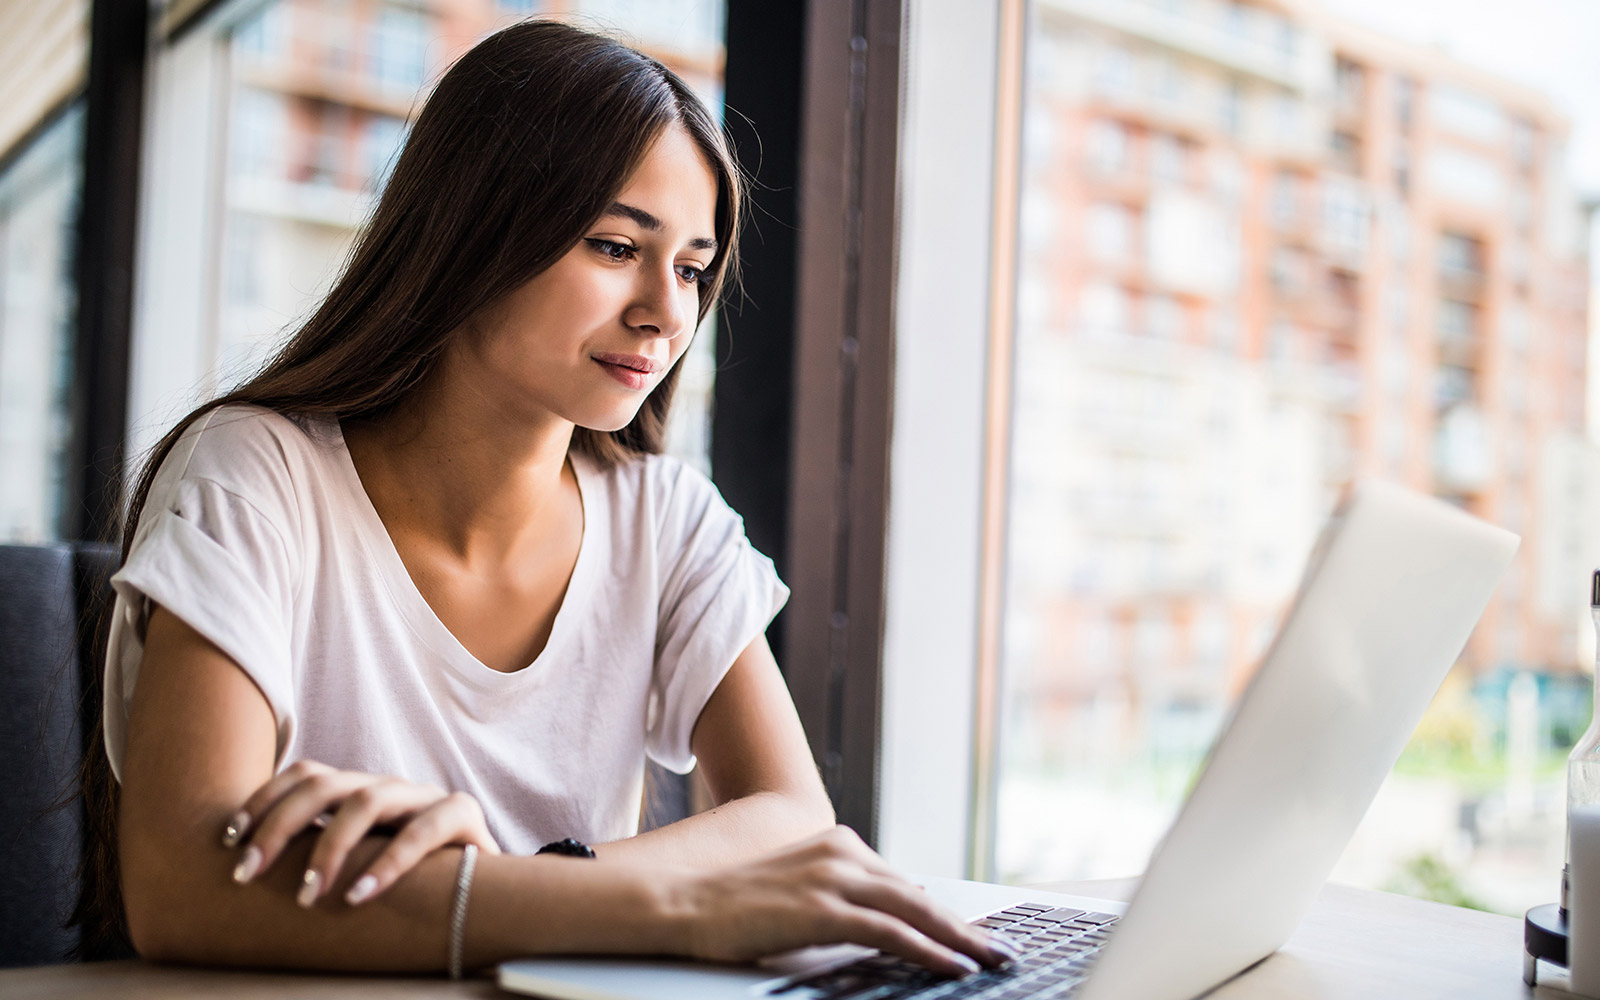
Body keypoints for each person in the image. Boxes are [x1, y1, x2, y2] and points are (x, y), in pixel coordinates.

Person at [83, 19, 1009, 979]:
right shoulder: (258, 473)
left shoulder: (666, 517)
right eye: (615, 247)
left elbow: (791, 822)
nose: (666, 310)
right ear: (472, 231)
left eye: (692, 268)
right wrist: (667, 902)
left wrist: (514, 879)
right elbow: (177, 883)